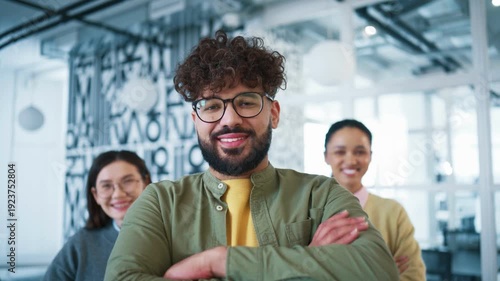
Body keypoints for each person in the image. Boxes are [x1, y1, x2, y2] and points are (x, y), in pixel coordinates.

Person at [104, 30, 399, 280]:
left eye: (246, 102)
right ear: (195, 121)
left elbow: (379, 270)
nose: (229, 119)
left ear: (274, 113)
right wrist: (308, 260)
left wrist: (218, 261)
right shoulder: (159, 203)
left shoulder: (321, 194)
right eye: (211, 106)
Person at [324, 119, 426, 281]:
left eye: (360, 152)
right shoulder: (307, 210)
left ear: (370, 156)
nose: (351, 160)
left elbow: (414, 276)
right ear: (326, 157)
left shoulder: (393, 213)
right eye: (340, 152)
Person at [44, 150, 151, 281]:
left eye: (128, 181)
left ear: (146, 184)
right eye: (106, 186)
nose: (118, 194)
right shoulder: (80, 244)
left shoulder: (172, 237)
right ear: (96, 195)